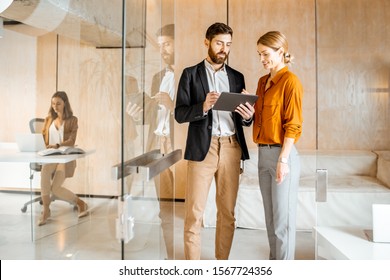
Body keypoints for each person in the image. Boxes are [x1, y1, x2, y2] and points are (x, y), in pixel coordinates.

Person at [175, 22, 254, 260]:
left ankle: (222, 265)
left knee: (228, 213)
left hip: (231, 147)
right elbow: (179, 114)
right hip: (203, 148)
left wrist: (249, 117)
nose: (224, 49)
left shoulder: (237, 77)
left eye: (228, 44)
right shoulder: (190, 74)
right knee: (194, 213)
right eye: (219, 43)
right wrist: (203, 106)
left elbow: (244, 118)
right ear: (207, 42)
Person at [249, 31, 303, 259]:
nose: (262, 59)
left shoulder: (290, 82)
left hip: (283, 155)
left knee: (283, 222)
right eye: (259, 54)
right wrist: (248, 108)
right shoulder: (262, 82)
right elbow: (260, 119)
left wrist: (283, 160)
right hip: (263, 155)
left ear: (281, 52)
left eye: (266, 54)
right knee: (270, 221)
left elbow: (293, 125)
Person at [126, 24, 175, 259]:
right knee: (165, 209)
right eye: (161, 45)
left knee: (184, 209)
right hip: (157, 146)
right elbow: (155, 113)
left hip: (180, 148)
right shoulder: (158, 78)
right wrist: (139, 115)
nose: (163, 49)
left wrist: (172, 105)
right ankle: (170, 256)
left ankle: (185, 258)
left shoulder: (190, 74)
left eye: (167, 43)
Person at [38, 91, 88, 226]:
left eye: (58, 103)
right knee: (44, 171)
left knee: (55, 189)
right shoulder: (48, 120)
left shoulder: (73, 120)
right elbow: (43, 138)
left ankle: (81, 203)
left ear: (65, 104)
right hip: (51, 156)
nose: (55, 106)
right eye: (53, 104)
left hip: (65, 156)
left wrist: (58, 145)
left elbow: (72, 140)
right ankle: (45, 210)